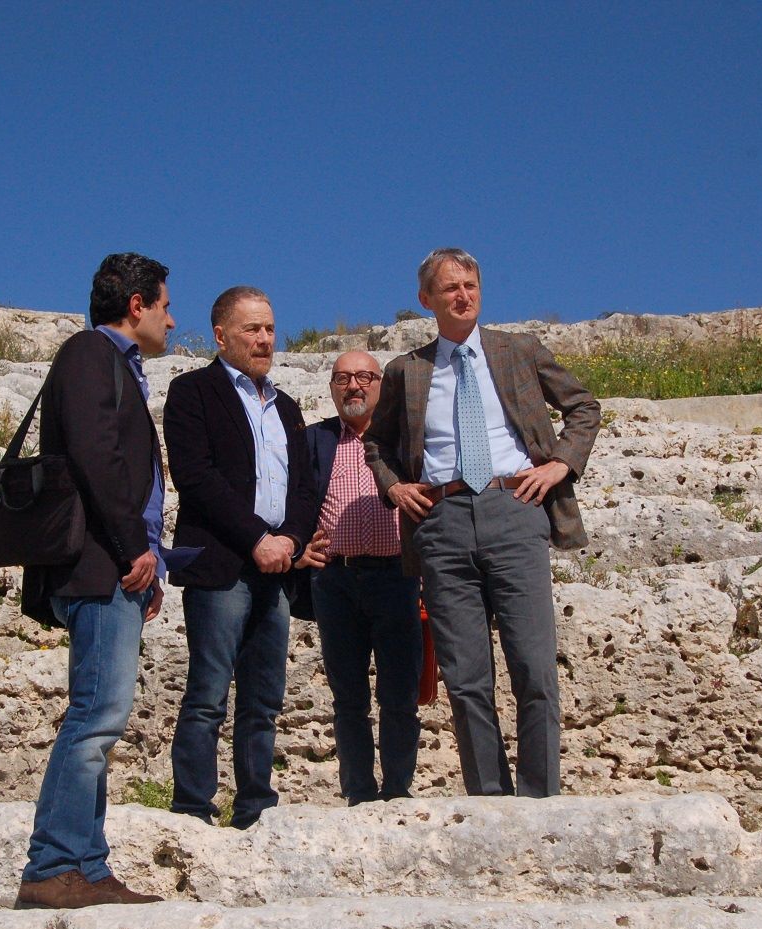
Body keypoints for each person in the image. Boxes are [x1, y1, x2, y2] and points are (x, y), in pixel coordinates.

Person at [364, 248, 601, 797]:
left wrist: (561, 463)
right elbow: (375, 443)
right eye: (449, 288)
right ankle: (490, 802)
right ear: (426, 300)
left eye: (470, 284)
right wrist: (394, 486)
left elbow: (583, 406)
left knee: (534, 667)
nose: (463, 295)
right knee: (467, 678)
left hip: (514, 510)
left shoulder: (518, 351)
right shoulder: (408, 370)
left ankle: (540, 800)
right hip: (441, 521)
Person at [15, 252, 174, 909]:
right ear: (136, 306)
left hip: (118, 568)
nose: (171, 318)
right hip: (100, 565)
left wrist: (150, 564)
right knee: (95, 718)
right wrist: (135, 547)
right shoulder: (88, 353)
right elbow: (95, 456)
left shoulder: (113, 364)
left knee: (100, 721)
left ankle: (87, 865)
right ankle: (54, 865)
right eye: (165, 305)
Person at [165, 286, 319, 829]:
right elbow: (197, 478)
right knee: (208, 692)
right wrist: (258, 538)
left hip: (277, 569)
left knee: (264, 697)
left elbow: (304, 489)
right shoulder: (193, 392)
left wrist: (292, 542)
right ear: (221, 334)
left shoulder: (287, 407)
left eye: (270, 329)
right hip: (223, 565)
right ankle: (192, 808)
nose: (263, 339)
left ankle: (255, 804)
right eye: (252, 329)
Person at [303, 351, 423, 805]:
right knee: (347, 696)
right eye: (342, 378)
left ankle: (397, 792)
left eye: (364, 377)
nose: (353, 386)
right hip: (335, 581)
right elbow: (294, 496)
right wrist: (299, 545)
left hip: (398, 576)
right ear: (332, 387)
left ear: (381, 385)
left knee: (400, 694)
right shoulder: (314, 439)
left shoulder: (404, 439)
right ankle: (358, 793)